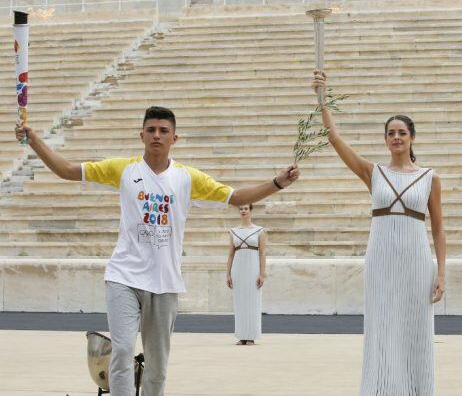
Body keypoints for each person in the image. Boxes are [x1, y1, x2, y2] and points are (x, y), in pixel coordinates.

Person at [14, 106, 299, 395]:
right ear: (141, 135)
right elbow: (67, 170)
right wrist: (35, 140)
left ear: (174, 138)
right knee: (123, 350)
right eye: (151, 130)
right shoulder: (124, 169)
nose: (157, 135)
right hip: (124, 276)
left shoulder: (187, 178)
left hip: (164, 283)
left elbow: (236, 196)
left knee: (157, 365)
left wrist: (277, 183)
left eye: (164, 131)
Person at [312, 70, 446, 396]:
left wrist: (442, 272)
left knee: (414, 326)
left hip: (416, 259)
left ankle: (416, 389)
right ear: (385, 139)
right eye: (390, 133)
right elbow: (334, 138)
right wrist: (321, 97)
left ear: (413, 137)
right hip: (381, 258)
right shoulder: (374, 173)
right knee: (382, 324)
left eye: (401, 132)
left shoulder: (430, 177)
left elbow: (439, 229)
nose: (396, 137)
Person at [226, 203, 266, 345]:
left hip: (253, 267)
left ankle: (251, 336)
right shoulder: (233, 231)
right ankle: (242, 336)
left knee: (253, 301)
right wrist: (228, 274)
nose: (243, 211)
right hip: (238, 268)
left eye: (246, 209)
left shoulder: (259, 231)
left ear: (251, 211)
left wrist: (262, 274)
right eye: (241, 209)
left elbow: (262, 254)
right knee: (240, 302)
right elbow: (231, 254)